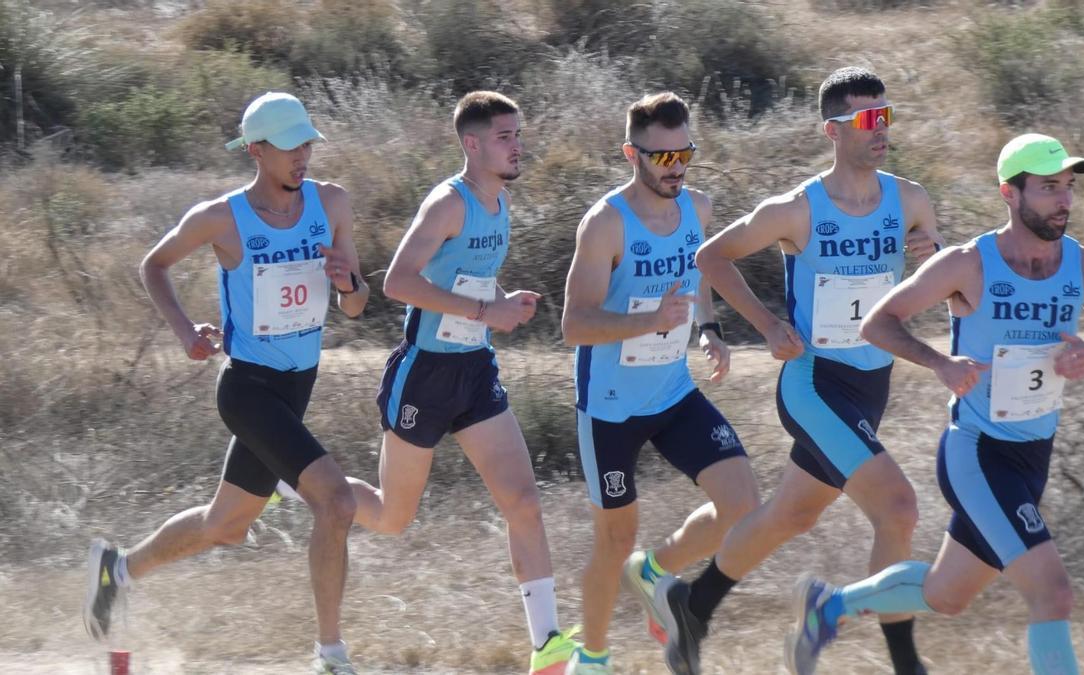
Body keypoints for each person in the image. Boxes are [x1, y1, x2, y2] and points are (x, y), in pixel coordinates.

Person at [784, 132, 1084, 675]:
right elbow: (877, 321)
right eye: (1048, 188)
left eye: (1068, 186)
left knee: (948, 596)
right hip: (977, 454)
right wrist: (941, 365)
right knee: (1052, 594)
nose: (1064, 200)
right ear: (1009, 194)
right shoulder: (968, 264)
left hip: (1033, 454)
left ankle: (829, 607)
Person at [656, 67, 944, 675]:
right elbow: (710, 257)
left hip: (872, 385)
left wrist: (932, 254)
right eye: (868, 119)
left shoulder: (910, 199)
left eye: (885, 116)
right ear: (832, 131)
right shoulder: (796, 209)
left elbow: (934, 278)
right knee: (898, 508)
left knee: (793, 514)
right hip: (813, 384)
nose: (880, 129)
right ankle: (903, 661)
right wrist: (764, 325)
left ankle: (693, 605)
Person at [83, 92, 369, 674]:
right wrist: (186, 331)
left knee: (225, 526)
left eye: (308, 143)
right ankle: (330, 656)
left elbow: (359, 305)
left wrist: (347, 284)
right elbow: (153, 265)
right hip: (248, 390)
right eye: (290, 147)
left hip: (298, 387)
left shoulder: (332, 203)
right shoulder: (221, 217)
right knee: (336, 503)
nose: (303, 156)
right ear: (257, 151)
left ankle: (118, 569)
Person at [344, 91, 577, 675]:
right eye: (504, 136)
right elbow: (397, 281)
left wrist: (501, 302)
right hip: (425, 374)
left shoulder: (499, 205)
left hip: (475, 371)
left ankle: (547, 645)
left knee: (523, 501)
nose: (517, 145)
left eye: (518, 134)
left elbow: (466, 284)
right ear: (471, 145)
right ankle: (300, 479)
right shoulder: (449, 203)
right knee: (393, 518)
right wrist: (484, 313)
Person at [560, 92, 761, 675]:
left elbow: (696, 272)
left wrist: (709, 330)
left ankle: (656, 572)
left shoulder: (697, 206)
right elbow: (574, 324)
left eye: (685, 154)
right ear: (632, 154)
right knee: (614, 540)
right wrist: (650, 321)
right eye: (662, 158)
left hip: (673, 393)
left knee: (742, 504)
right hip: (611, 408)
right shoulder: (605, 224)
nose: (676, 169)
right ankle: (591, 660)